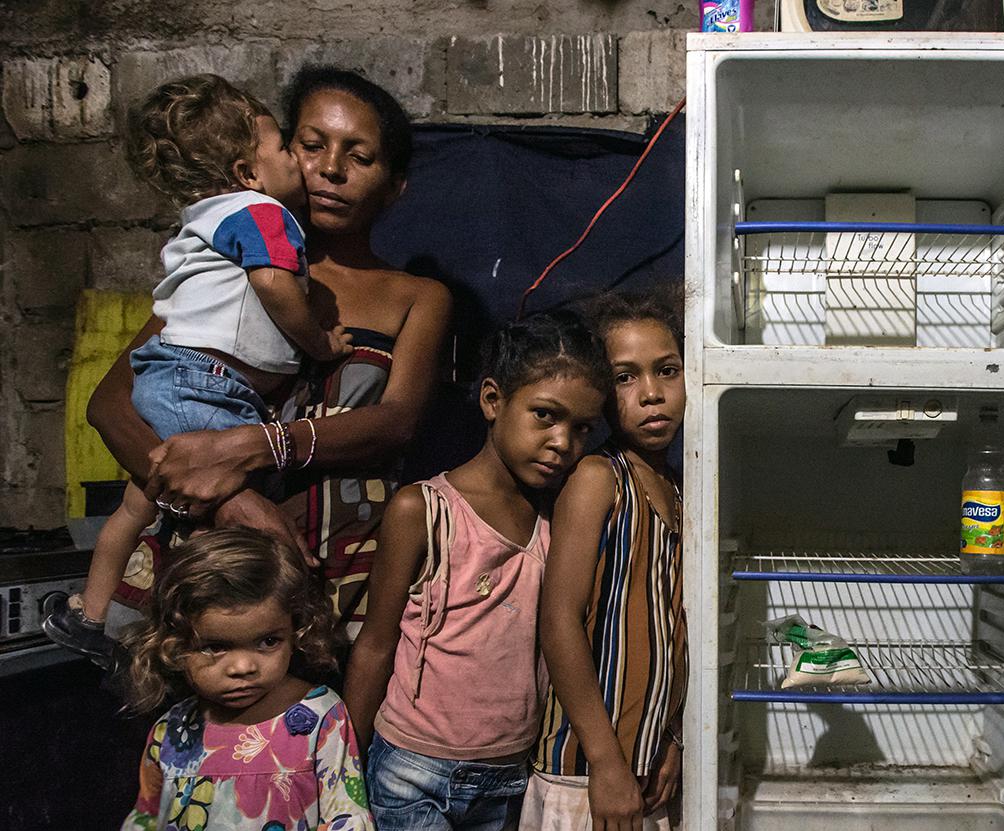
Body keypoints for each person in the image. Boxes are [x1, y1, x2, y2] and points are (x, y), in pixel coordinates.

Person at [83, 66, 451, 642]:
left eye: (359, 156)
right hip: (208, 550)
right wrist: (227, 500)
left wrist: (253, 447)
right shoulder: (227, 267)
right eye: (310, 145)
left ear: (394, 184)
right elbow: (110, 404)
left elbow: (396, 422)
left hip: (345, 554)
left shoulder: (419, 297)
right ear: (262, 155)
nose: (330, 168)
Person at [43, 74, 354, 665]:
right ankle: (302, 639)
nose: (304, 162)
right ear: (248, 173)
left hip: (178, 378)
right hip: (204, 386)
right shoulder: (262, 214)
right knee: (240, 539)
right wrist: (318, 342)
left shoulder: (207, 219)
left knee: (137, 509)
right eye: (289, 147)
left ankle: (92, 617)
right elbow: (273, 286)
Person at [342, 311, 611, 830]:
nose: (563, 442)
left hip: (509, 776)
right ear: (493, 401)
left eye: (582, 429)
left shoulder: (558, 520)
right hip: (411, 771)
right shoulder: (421, 510)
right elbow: (374, 644)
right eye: (545, 416)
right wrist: (344, 770)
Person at [526, 291, 688, 830]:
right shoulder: (601, 479)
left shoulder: (681, 490)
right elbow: (559, 622)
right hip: (583, 773)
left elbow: (675, 632)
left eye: (667, 371)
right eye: (625, 377)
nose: (650, 394)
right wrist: (607, 762)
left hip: (645, 770)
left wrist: (671, 739)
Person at [119, 527, 372, 829]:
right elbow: (146, 820)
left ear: (296, 631)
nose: (242, 667)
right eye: (215, 646)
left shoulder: (320, 718)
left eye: (267, 642)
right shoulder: (171, 731)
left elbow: (346, 818)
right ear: (175, 646)